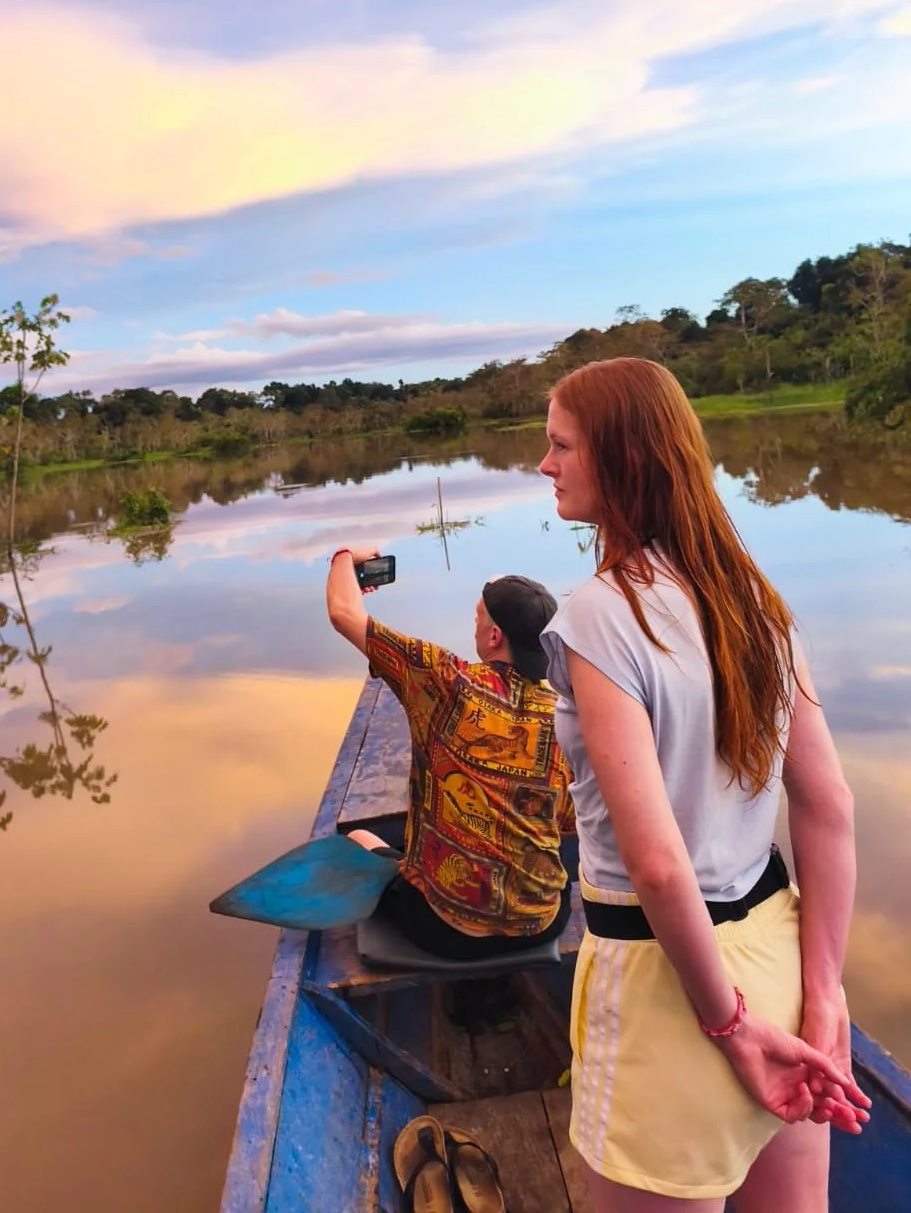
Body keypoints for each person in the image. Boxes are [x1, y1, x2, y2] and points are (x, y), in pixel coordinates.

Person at [536, 357, 869, 1212]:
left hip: (669, 989)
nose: (545, 466)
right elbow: (829, 805)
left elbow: (657, 867)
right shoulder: (757, 603)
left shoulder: (596, 617)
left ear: (622, 460)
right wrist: (823, 993)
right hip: (782, 960)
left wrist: (728, 1027)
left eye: (560, 445)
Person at [326, 545, 574, 961]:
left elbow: (342, 613)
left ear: (494, 636)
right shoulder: (564, 713)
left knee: (358, 839)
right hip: (542, 920)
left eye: (478, 620)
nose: (475, 627)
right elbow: (567, 825)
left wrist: (344, 557)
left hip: (443, 929)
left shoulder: (444, 678)